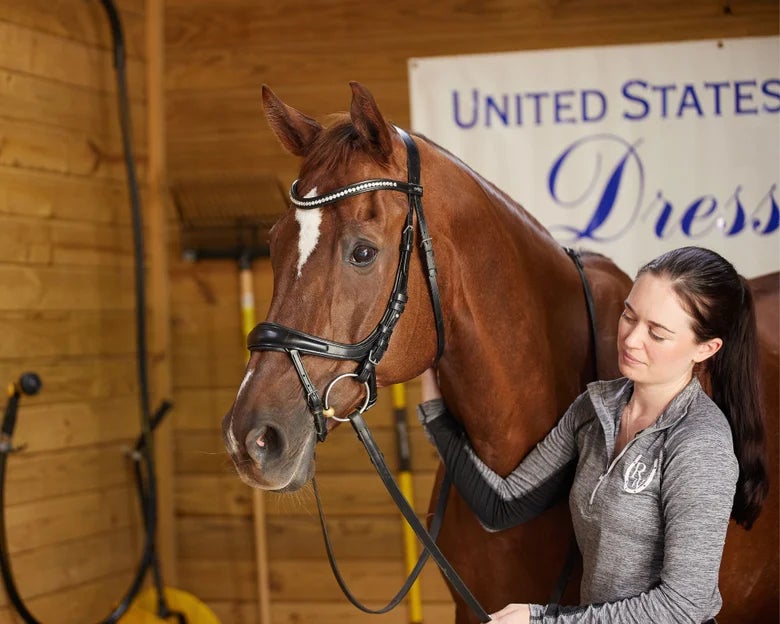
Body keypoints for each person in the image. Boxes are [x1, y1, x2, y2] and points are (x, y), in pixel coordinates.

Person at [417, 246, 769, 624]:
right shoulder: (596, 407)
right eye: (629, 316)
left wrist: (543, 621)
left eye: (657, 333)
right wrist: (436, 408)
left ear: (706, 348)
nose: (631, 339)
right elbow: (503, 506)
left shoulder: (700, 444)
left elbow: (685, 605)